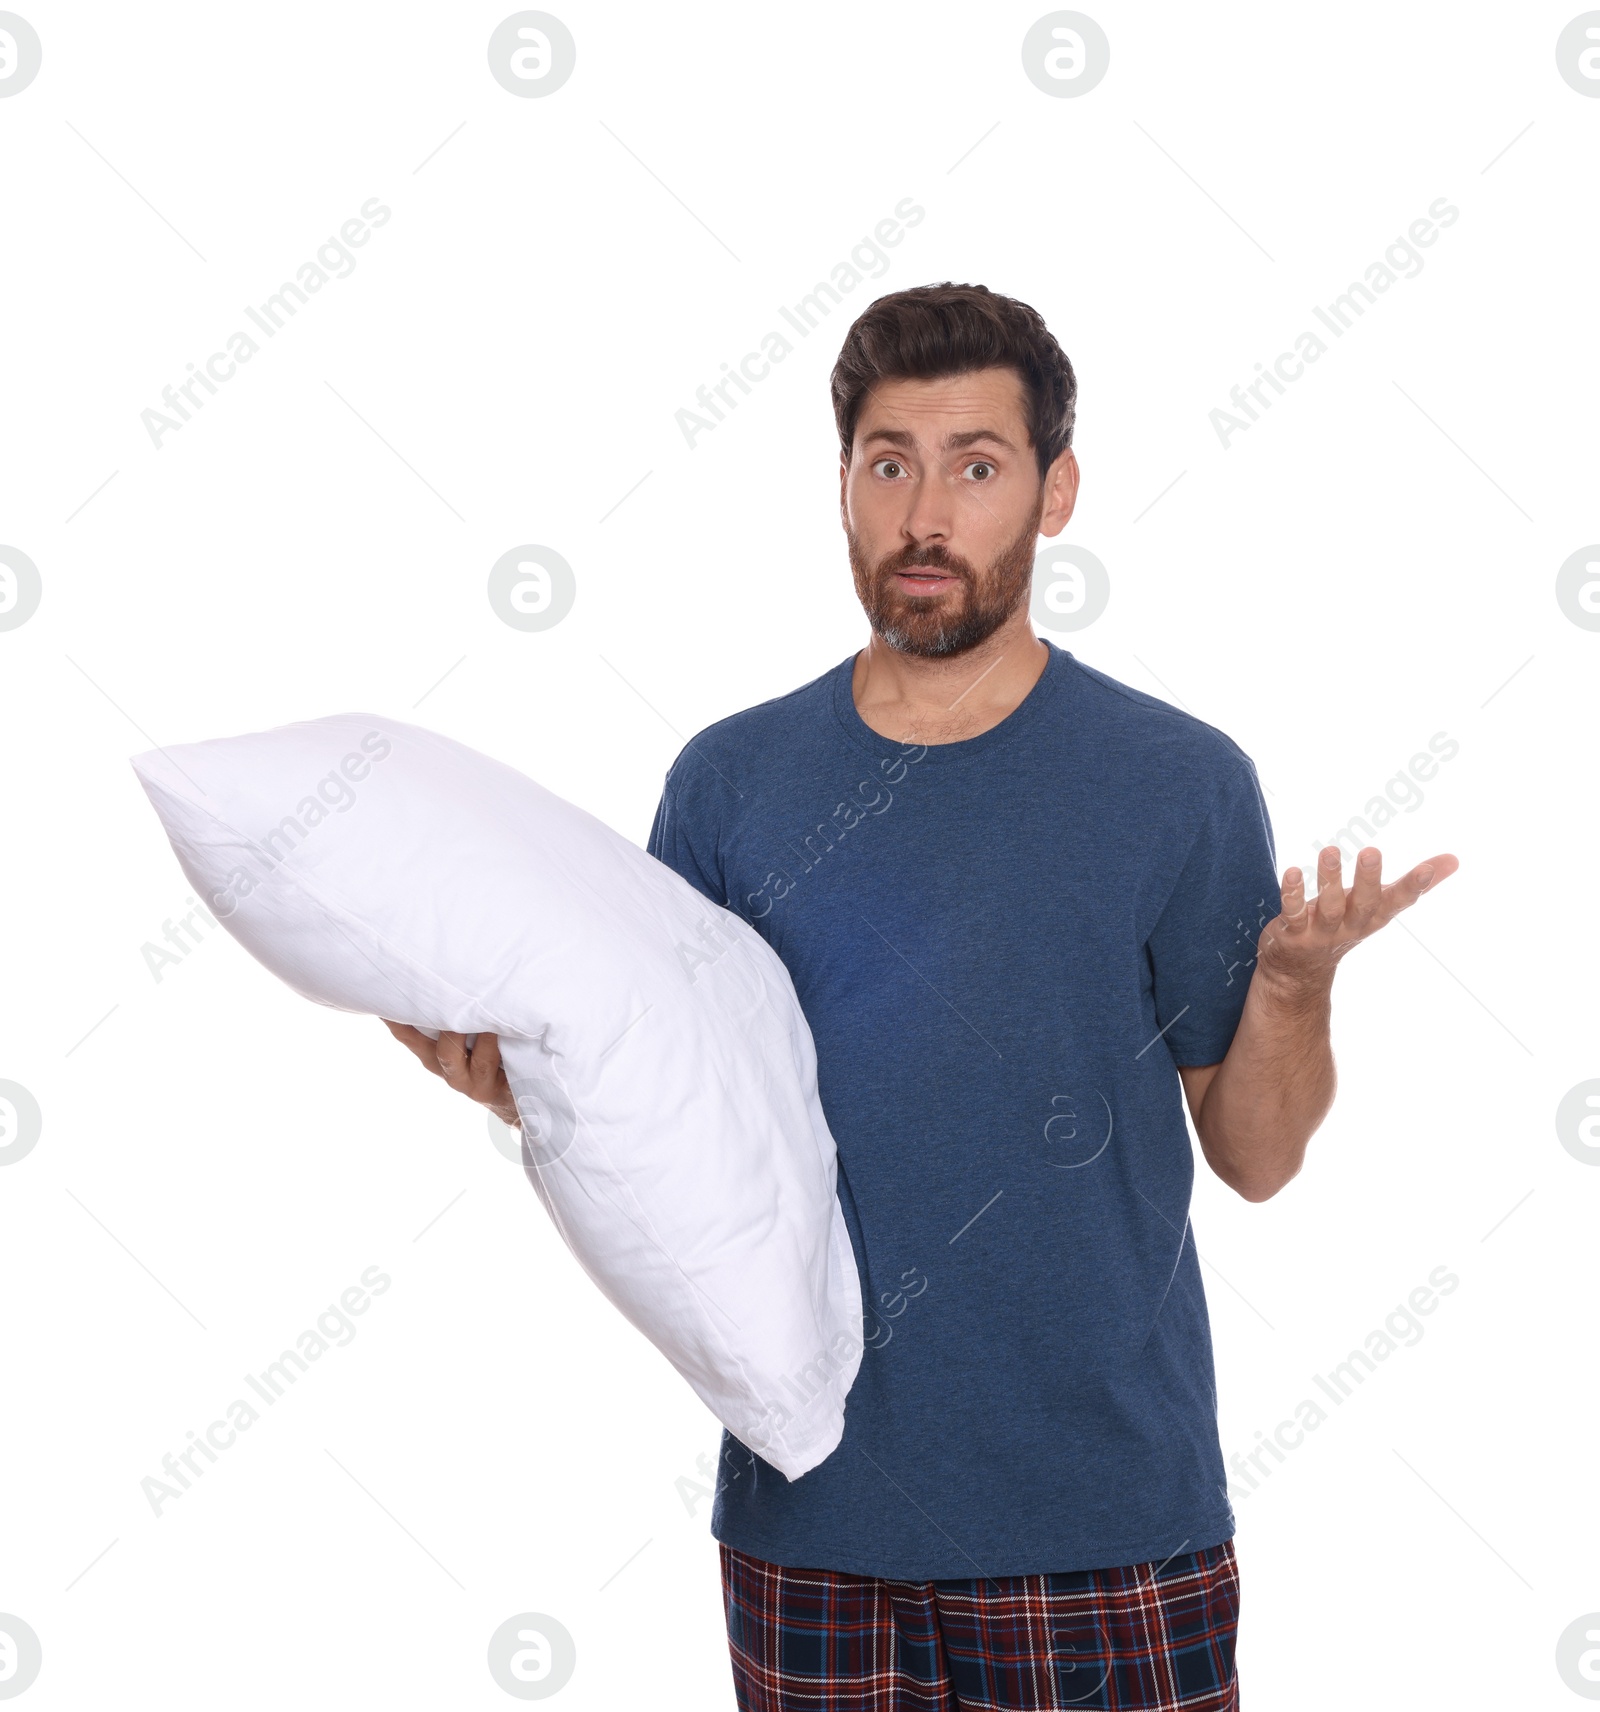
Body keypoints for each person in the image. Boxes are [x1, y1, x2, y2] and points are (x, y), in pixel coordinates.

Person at [386, 283, 1458, 1710]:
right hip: (808, 1518)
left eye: (976, 465)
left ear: (1054, 490)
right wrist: (532, 1089)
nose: (925, 515)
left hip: (1102, 1522)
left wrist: (1293, 988)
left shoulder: (1176, 780)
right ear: (842, 485)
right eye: (889, 463)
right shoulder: (729, 783)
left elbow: (1255, 1158)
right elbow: (675, 1119)